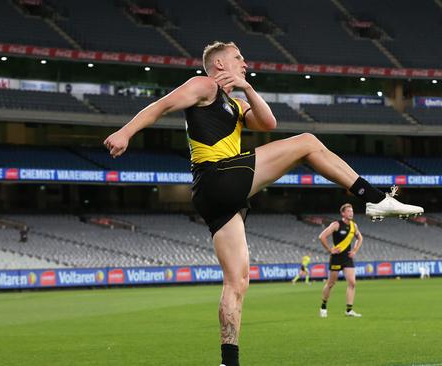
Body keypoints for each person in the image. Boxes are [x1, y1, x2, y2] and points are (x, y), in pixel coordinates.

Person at [104, 41, 423, 366]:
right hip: (219, 175)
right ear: (218, 64)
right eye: (238, 58)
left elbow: (268, 123)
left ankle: (229, 361)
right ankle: (374, 198)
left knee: (237, 281)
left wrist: (247, 87)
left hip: (216, 195)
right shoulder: (203, 85)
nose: (244, 62)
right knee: (307, 143)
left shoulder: (235, 101)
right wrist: (126, 132)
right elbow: (161, 105)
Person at [318, 203, 364, 318]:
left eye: (352, 211)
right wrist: (330, 249)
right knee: (331, 283)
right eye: (348, 211)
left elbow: (360, 238)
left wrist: (354, 250)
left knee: (352, 283)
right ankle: (323, 306)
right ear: (343, 213)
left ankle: (349, 310)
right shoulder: (336, 224)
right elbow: (322, 237)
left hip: (347, 258)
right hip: (336, 258)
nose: (351, 213)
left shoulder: (354, 226)